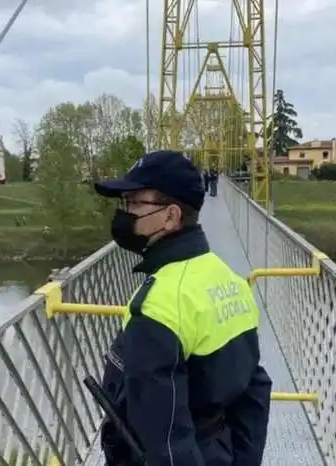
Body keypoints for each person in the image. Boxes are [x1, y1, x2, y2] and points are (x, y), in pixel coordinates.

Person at [93, 150, 272, 466]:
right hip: (220, 450)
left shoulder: (158, 305)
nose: (124, 213)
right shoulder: (231, 280)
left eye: (135, 203)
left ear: (171, 216)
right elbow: (254, 391)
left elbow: (165, 442)